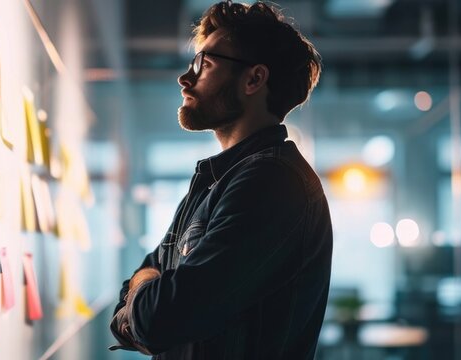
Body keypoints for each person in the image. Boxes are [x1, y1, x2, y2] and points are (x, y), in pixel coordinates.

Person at [110, 1, 332, 359]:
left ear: (254, 79)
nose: (185, 78)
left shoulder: (271, 182)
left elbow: (158, 319)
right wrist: (145, 290)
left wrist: (144, 289)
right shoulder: (215, 182)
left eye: (204, 64)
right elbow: (133, 302)